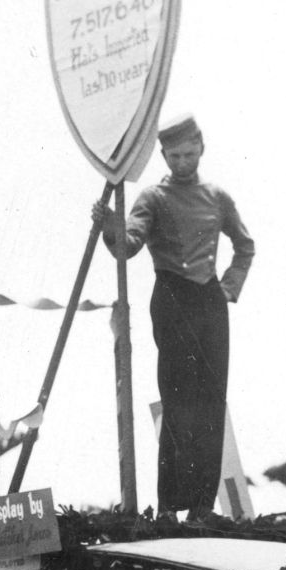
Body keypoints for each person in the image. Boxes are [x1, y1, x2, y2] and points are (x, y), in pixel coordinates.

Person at [91, 113, 255, 520]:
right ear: (162, 155)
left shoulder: (218, 197)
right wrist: (111, 228)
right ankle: (169, 506)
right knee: (179, 401)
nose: (182, 161)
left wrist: (228, 288)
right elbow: (127, 247)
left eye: (189, 153)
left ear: (202, 147)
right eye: (174, 155)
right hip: (172, 298)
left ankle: (201, 507)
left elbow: (245, 246)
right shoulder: (152, 197)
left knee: (212, 401)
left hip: (210, 302)